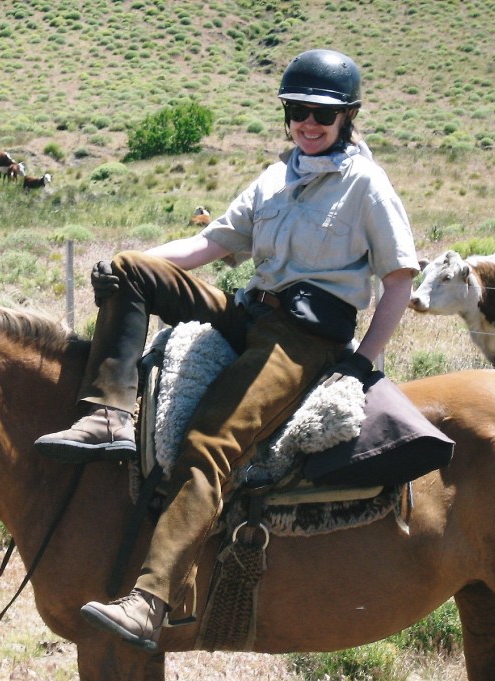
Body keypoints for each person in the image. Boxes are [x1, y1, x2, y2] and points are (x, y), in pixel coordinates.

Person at [34, 48, 419, 649]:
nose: (309, 123)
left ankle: (150, 599)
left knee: (211, 443)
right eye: (298, 110)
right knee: (134, 271)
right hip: (248, 310)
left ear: (347, 117)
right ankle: (106, 411)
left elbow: (399, 279)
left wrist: (361, 361)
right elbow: (210, 245)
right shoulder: (275, 176)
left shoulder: (364, 184)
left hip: (303, 336)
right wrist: (131, 261)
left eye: (324, 113)